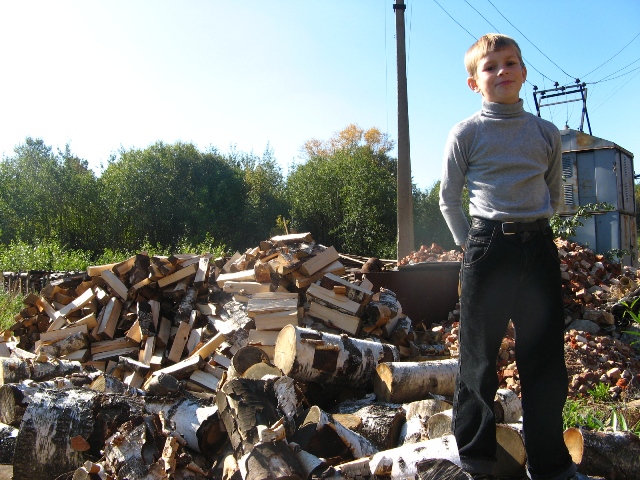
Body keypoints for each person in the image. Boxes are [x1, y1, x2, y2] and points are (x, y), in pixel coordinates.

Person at [439, 33, 587, 480]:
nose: (501, 71)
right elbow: (448, 198)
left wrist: (537, 227)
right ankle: (476, 461)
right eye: (490, 66)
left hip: (538, 249)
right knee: (479, 359)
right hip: (489, 248)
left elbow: (554, 193)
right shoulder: (466, 133)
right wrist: (471, 247)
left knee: (544, 360)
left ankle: (549, 464)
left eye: (510, 62)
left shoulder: (545, 133)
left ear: (523, 72)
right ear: (474, 82)